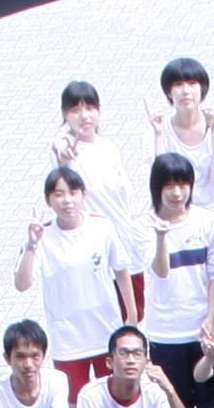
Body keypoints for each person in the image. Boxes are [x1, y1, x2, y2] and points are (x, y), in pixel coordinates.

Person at [16, 164, 134, 396]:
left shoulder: (102, 226)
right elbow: (22, 284)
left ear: (83, 195)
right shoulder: (42, 236)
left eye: (73, 192)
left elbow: (121, 270)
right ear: (48, 200)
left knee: (114, 396)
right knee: (74, 402)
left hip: (106, 331)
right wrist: (31, 245)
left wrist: (130, 316)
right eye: (59, 194)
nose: (67, 200)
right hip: (68, 340)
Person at [139, 151, 214, 408]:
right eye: (169, 185)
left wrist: (211, 316)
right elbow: (160, 271)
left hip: (204, 328)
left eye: (183, 184)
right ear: (157, 187)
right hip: (166, 332)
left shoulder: (206, 220)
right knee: (176, 404)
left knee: (213, 401)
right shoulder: (144, 225)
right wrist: (161, 237)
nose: (177, 193)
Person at [47, 77, 148, 268]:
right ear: (65, 114)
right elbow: (60, 153)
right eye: (75, 110)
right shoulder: (65, 146)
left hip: (125, 242)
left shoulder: (109, 148)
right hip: (91, 250)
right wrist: (63, 155)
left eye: (90, 108)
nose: (84, 116)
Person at [146, 55, 214, 219]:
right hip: (174, 217)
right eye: (178, 85)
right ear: (169, 92)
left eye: (192, 83)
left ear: (202, 88)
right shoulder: (157, 130)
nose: (186, 91)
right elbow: (161, 181)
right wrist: (159, 135)